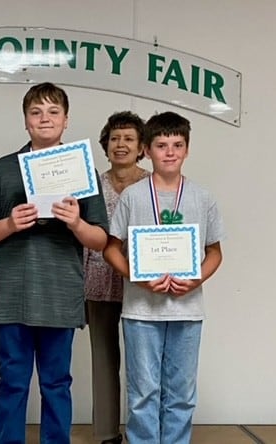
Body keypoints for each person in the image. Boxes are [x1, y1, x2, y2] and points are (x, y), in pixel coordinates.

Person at [0, 82, 109, 444]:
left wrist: (77, 222)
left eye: (53, 112)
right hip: (14, 295)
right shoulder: (3, 169)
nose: (44, 119)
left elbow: (100, 239)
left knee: (56, 384)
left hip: (61, 295)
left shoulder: (83, 170)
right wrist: (9, 223)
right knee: (13, 383)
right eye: (36, 112)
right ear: (25, 121)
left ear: (66, 121)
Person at [103, 111, 224, 444]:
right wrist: (137, 277)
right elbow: (111, 249)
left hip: (187, 310)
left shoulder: (202, 197)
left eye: (177, 145)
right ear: (147, 149)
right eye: (161, 145)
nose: (169, 152)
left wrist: (196, 279)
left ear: (186, 149)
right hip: (141, 310)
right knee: (143, 393)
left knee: (181, 394)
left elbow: (215, 253)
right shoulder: (133, 196)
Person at [83, 111, 150, 444]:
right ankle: (108, 434)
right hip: (97, 280)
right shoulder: (91, 184)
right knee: (104, 360)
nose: (120, 145)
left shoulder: (154, 183)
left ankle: (145, 432)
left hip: (145, 285)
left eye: (128, 139)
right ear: (105, 145)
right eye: (114, 138)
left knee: (145, 364)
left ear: (142, 148)